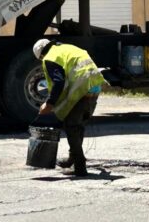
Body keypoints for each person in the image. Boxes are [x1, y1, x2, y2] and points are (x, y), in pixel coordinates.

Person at [34, 39, 106, 177]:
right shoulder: (66, 48)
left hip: (82, 87)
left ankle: (80, 167)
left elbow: (59, 82)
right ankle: (72, 159)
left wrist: (49, 103)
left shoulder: (50, 58)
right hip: (95, 86)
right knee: (78, 124)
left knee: (71, 126)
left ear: (41, 55)